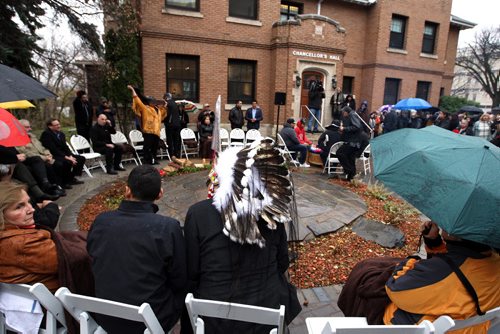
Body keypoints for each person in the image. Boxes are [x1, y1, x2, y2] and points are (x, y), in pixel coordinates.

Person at [181, 140, 301, 333]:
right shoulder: (270, 215)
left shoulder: (198, 213)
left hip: (213, 321)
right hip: (264, 319)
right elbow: (282, 263)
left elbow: (192, 270)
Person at [87, 165, 187, 333]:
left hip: (106, 315)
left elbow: (93, 257)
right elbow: (179, 279)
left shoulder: (101, 221)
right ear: (160, 194)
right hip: (150, 320)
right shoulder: (167, 227)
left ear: (127, 191)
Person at [383, 221, 500, 333]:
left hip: (420, 328)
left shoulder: (443, 270)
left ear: (461, 234)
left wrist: (409, 262)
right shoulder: (494, 261)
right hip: (471, 329)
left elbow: (396, 289)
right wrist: (434, 242)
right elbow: (457, 263)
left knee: (372, 279)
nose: (444, 225)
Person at [40, 118, 86, 189]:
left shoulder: (61, 134)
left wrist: (70, 155)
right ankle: (64, 182)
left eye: (59, 124)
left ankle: (71, 178)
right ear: (50, 126)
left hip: (63, 154)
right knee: (66, 162)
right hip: (53, 155)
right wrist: (67, 158)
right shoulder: (46, 134)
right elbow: (53, 149)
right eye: (56, 125)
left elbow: (65, 147)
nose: (59, 126)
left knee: (81, 159)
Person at [128, 85, 167, 164]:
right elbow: (138, 100)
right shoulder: (146, 108)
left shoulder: (158, 110)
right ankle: (147, 160)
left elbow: (162, 115)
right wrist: (133, 90)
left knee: (154, 147)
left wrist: (165, 106)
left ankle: (154, 159)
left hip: (156, 132)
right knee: (147, 147)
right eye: (152, 101)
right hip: (148, 131)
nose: (153, 102)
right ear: (149, 102)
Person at [337, 106, 367, 181]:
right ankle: (351, 175)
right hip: (354, 141)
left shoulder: (352, 115)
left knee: (340, 152)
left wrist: (344, 128)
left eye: (343, 112)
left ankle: (349, 170)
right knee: (350, 157)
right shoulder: (351, 115)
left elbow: (356, 127)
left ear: (346, 112)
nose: (343, 114)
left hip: (353, 142)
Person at [164, 92, 182, 158]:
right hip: (177, 124)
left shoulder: (166, 103)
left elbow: (166, 114)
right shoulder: (175, 103)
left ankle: (171, 154)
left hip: (170, 124)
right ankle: (177, 153)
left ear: (166, 97)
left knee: (170, 140)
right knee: (176, 140)